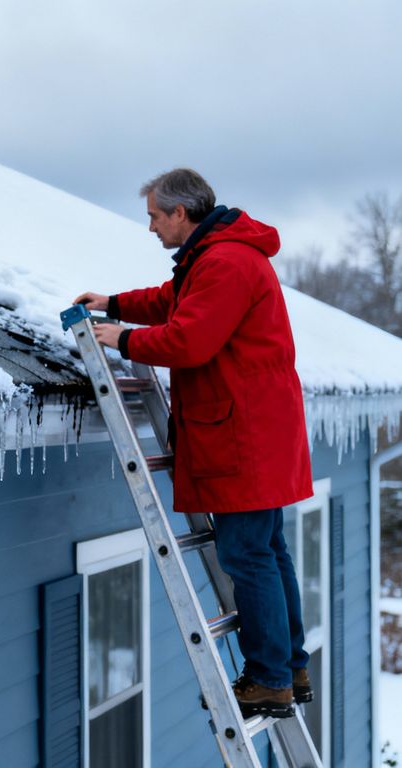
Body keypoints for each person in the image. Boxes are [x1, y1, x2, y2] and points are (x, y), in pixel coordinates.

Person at [73, 168, 315, 719]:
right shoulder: (216, 257)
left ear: (181, 213)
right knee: (267, 553)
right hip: (254, 428)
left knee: (247, 556)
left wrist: (125, 340)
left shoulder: (225, 261)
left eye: (155, 216)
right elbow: (174, 302)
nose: (152, 227)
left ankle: (270, 679)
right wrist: (114, 304)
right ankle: (288, 666)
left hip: (243, 434)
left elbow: (191, 338)